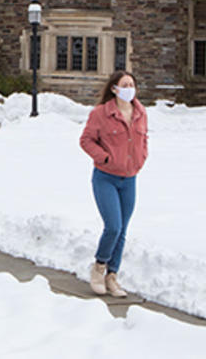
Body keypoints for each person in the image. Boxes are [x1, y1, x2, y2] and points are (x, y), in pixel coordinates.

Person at [79, 70, 148, 298]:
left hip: (129, 179)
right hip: (106, 177)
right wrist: (104, 157)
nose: (129, 88)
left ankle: (113, 275)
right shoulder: (101, 114)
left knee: (123, 231)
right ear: (114, 89)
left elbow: (143, 138)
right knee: (113, 227)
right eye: (124, 84)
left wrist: (141, 158)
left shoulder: (140, 113)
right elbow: (86, 140)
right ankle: (99, 267)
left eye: (132, 84)